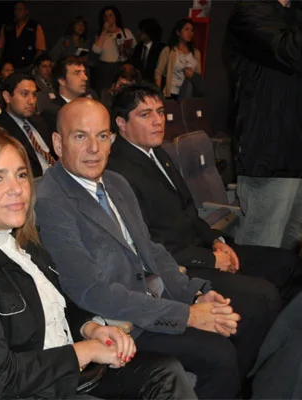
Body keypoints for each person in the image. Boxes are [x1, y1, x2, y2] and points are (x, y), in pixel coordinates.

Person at [0, 126, 197, 400]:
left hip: (64, 374)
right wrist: (86, 350)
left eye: (21, 175)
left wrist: (91, 328)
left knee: (166, 372)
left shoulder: (24, 244)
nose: (16, 189)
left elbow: (55, 306)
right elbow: (3, 377)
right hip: (26, 391)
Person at [36, 97, 243, 399]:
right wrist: (188, 315)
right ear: (57, 142)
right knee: (220, 354)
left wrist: (194, 293)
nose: (94, 148)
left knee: (239, 318)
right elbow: (92, 291)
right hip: (120, 323)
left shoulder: (116, 182)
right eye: (80, 136)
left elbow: (152, 250)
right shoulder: (51, 202)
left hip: (154, 299)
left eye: (102, 136)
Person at [106, 83, 301, 306]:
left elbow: (189, 212)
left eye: (160, 112)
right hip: (178, 266)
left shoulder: (158, 153)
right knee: (265, 294)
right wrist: (211, 260)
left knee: (288, 263)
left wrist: (217, 241)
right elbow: (149, 244)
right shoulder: (117, 171)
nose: (158, 121)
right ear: (121, 123)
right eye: (145, 114)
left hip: (201, 248)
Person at [225, 0, 302, 251]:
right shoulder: (250, 11)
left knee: (291, 255)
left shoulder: (295, 11)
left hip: (296, 152)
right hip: (268, 152)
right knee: (261, 250)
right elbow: (290, 51)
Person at [0, 73, 56, 177]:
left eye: (34, 95)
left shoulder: (39, 120)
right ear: (7, 97)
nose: (31, 101)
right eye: (25, 94)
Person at [90, 6, 136, 94]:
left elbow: (134, 48)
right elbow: (96, 50)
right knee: (105, 93)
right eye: (105, 16)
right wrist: (104, 32)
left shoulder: (125, 32)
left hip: (121, 66)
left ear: (115, 17)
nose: (108, 18)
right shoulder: (101, 34)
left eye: (111, 15)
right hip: (105, 68)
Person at [155, 19, 203, 100]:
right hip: (171, 93)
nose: (190, 33)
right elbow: (158, 72)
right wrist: (159, 94)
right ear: (178, 32)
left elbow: (198, 74)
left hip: (188, 93)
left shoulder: (196, 53)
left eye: (192, 30)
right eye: (186, 29)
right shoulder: (169, 50)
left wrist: (192, 75)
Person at [41, 55, 91, 133]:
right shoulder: (53, 111)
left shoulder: (89, 103)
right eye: (77, 73)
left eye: (84, 72)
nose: (85, 78)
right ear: (62, 80)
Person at [0, 1, 47, 71]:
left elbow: (40, 49)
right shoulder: (7, 26)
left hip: (26, 66)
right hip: (8, 66)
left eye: (20, 9)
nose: (17, 12)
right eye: (15, 9)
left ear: (26, 11)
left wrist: (33, 65)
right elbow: (0, 47)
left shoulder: (35, 26)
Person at [131, 18, 164, 84]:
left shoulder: (160, 48)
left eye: (141, 31)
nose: (138, 33)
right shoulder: (138, 47)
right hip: (139, 83)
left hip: (154, 84)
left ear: (149, 32)